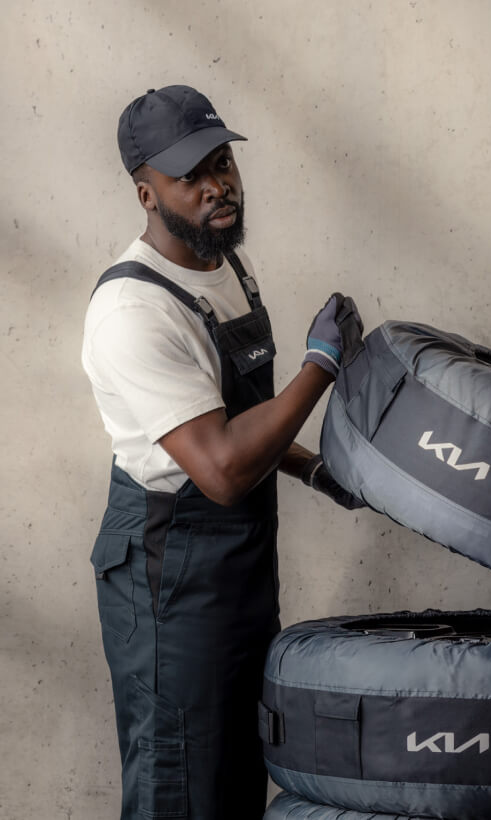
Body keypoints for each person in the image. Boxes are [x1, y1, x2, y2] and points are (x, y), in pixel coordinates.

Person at [82, 85, 364, 820]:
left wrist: (315, 469)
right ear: (146, 193)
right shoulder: (133, 310)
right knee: (183, 789)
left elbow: (236, 420)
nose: (217, 187)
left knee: (236, 782)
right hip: (172, 583)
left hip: (237, 574)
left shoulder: (225, 267)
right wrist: (320, 366)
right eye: (190, 176)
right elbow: (223, 466)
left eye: (222, 163)